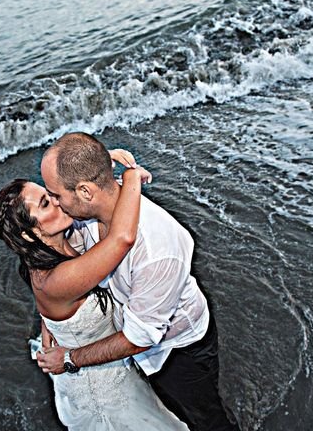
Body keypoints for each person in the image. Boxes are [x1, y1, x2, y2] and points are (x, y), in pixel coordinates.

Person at [36, 132, 239, 431]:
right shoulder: (81, 215)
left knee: (204, 417)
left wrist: (70, 359)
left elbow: (139, 338)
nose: (54, 202)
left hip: (178, 349)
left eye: (56, 195)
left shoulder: (157, 249)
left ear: (85, 192)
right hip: (136, 336)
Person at [0, 153, 188, 430]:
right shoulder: (58, 279)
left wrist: (96, 163)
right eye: (47, 203)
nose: (58, 200)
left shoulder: (50, 251)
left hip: (118, 371)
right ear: (27, 233)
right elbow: (122, 238)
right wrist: (130, 178)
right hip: (106, 395)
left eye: (51, 193)